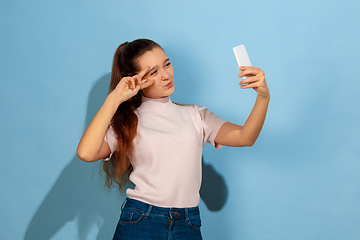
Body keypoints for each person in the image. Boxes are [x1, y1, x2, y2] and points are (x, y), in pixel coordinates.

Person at [77, 38, 270, 240]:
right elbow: (86, 152)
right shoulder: (128, 122)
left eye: (167, 64)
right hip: (141, 220)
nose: (166, 75)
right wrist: (115, 97)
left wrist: (263, 97)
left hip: (188, 223)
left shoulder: (196, 115)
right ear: (136, 79)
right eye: (153, 72)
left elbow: (245, 137)